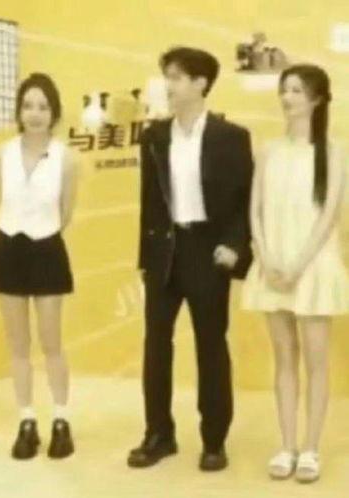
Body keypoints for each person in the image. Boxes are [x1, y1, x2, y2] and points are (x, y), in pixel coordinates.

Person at [128, 46, 254, 471]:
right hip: (165, 250)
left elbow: (243, 200)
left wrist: (235, 245)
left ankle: (214, 439)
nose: (169, 84)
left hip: (208, 250)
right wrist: (145, 258)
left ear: (201, 83)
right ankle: (158, 434)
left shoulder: (230, 137)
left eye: (177, 77)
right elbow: (149, 201)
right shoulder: (154, 136)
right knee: (156, 344)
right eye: (167, 76)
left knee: (211, 346)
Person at [242, 64, 349, 482]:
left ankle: (311, 448)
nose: (287, 98)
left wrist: (299, 264)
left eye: (297, 91)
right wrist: (267, 256)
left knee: (317, 362)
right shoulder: (269, 150)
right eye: (284, 90)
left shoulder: (334, 152)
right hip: (273, 267)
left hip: (313, 267)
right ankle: (286, 445)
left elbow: (329, 216)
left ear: (317, 99)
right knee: (284, 357)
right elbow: (255, 210)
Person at [0, 72, 79, 460]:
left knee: (52, 342)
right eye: (27, 106)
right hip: (7, 248)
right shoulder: (0, 154)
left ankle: (61, 419)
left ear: (54, 112)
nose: (35, 113)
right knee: (18, 344)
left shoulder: (67, 158)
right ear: (19, 111)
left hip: (47, 248)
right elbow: (1, 201)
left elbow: (65, 212)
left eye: (42, 106)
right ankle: (26, 421)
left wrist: (42, 232)